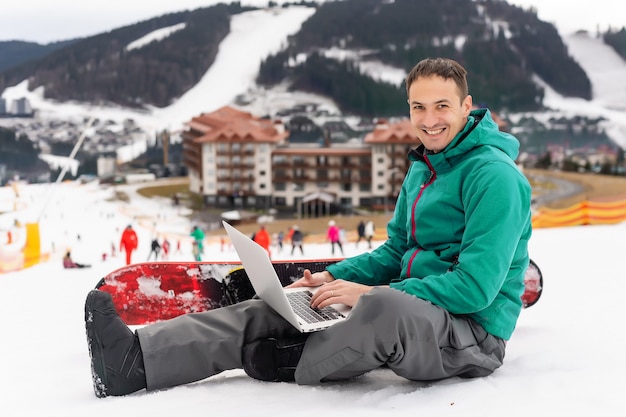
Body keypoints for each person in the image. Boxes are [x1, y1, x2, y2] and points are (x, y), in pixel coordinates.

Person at [84, 57, 532, 398]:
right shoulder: (424, 167)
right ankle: (133, 361)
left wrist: (373, 294)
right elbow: (396, 253)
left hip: (472, 333)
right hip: (414, 310)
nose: (429, 119)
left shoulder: (495, 178)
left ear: (466, 106)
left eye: (442, 106)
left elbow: (475, 289)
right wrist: (336, 277)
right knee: (280, 306)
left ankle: (287, 359)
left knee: (380, 312)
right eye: (419, 106)